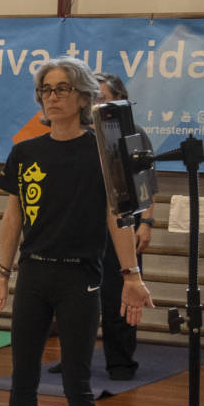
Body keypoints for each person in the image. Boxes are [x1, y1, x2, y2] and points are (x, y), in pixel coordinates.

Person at [0, 59, 153, 406]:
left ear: (82, 97)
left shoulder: (101, 154)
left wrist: (131, 275)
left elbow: (117, 217)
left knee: (77, 382)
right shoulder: (25, 153)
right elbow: (14, 216)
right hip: (34, 274)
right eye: (46, 90)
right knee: (23, 377)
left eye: (62, 89)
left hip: (80, 278)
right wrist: (2, 272)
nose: (52, 97)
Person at [70, 73, 150, 380]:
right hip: (83, 225)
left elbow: (144, 183)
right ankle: (74, 359)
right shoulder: (76, 134)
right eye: (91, 98)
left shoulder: (133, 134)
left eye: (102, 98)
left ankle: (121, 362)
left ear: (119, 100)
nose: (95, 104)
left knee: (120, 294)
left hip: (122, 223)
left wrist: (147, 223)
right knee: (76, 297)